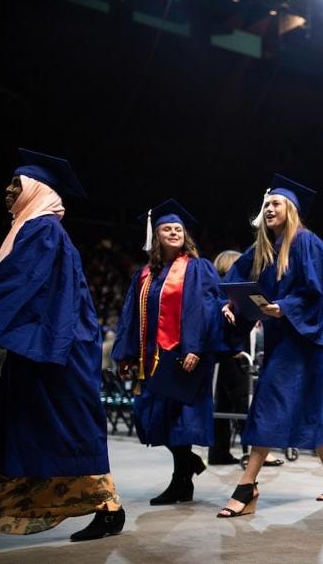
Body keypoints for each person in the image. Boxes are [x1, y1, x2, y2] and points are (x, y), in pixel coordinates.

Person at [0, 149, 124, 541]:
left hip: (57, 348)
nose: (7, 191)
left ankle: (108, 506)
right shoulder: (33, 227)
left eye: (16, 185)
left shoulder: (42, 230)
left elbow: (22, 283)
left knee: (67, 426)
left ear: (36, 190)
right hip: (44, 344)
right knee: (34, 424)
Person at [218, 175, 323, 517]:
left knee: (267, 401)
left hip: (302, 338)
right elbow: (237, 277)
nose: (269, 208)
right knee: (312, 406)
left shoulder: (306, 243)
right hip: (281, 337)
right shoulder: (262, 248)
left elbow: (317, 292)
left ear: (291, 210)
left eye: (276, 203)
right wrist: (231, 302)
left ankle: (247, 485)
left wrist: (285, 307)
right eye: (266, 205)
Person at [112, 199, 221, 505]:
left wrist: (195, 347)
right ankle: (188, 466)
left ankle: (181, 482)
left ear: (185, 235)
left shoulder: (198, 268)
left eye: (178, 229)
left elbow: (206, 308)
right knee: (154, 419)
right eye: (166, 229)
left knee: (180, 421)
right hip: (153, 359)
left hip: (184, 357)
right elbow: (131, 315)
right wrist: (126, 354)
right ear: (155, 236)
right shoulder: (146, 274)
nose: (173, 233)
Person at [209, 250, 251, 466]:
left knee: (223, 404)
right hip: (232, 354)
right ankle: (252, 451)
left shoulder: (219, 290)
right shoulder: (229, 293)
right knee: (243, 401)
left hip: (222, 355)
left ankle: (219, 452)